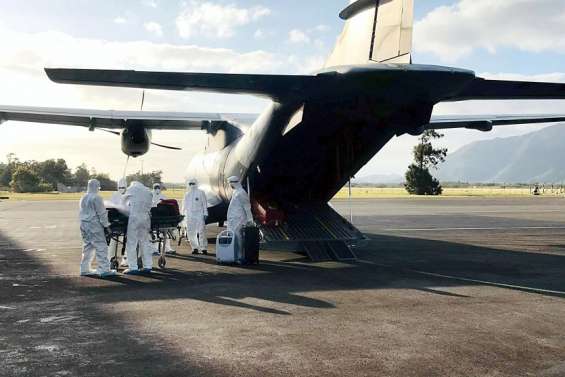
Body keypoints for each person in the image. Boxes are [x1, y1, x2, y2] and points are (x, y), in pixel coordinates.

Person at [79, 179, 117, 277]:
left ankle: (84, 269)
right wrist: (107, 226)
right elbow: (102, 213)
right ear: (97, 187)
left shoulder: (83, 197)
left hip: (83, 224)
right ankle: (104, 269)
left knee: (88, 246)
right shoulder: (97, 198)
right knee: (101, 246)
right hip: (94, 224)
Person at [123, 181, 153, 274]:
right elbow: (150, 205)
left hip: (134, 217)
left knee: (132, 243)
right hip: (146, 218)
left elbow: (123, 203)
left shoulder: (130, 189)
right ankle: (148, 266)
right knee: (144, 242)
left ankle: (133, 267)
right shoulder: (148, 191)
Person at [226, 176, 254, 261]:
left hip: (239, 220)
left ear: (233, 183)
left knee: (238, 238)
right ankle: (234, 256)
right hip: (233, 220)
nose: (230, 185)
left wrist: (250, 220)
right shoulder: (236, 192)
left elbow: (247, 207)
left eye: (230, 183)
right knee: (234, 238)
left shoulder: (241, 193)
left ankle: (240, 256)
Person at [107, 178, 128, 267]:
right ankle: (110, 258)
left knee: (129, 241)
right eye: (120, 187)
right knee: (113, 241)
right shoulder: (114, 195)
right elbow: (111, 207)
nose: (121, 189)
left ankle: (127, 259)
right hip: (116, 223)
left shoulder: (129, 195)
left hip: (127, 223)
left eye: (123, 187)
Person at [183, 178, 209, 255]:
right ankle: (195, 248)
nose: (192, 185)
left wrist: (205, 213)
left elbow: (204, 203)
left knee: (201, 231)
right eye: (190, 184)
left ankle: (203, 248)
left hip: (199, 214)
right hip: (190, 215)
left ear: (196, 184)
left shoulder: (201, 192)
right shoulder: (187, 194)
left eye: (193, 183)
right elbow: (184, 205)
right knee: (191, 232)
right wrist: (183, 214)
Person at [151, 183, 176, 255]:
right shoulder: (150, 195)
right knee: (154, 235)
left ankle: (167, 249)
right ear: (153, 188)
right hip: (154, 219)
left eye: (158, 187)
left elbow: (167, 207)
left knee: (166, 235)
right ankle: (154, 250)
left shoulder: (163, 196)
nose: (157, 189)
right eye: (155, 187)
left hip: (162, 218)